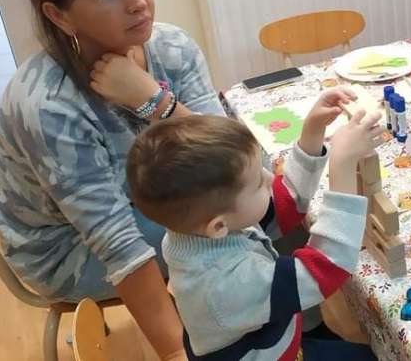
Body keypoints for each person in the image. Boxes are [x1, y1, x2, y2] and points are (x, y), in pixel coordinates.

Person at [0, 0, 223, 359]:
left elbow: (231, 155)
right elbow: (120, 247)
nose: (138, 2)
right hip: (64, 245)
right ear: (60, 15)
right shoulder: (48, 105)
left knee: (257, 200)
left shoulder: (171, 47)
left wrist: (153, 100)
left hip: (141, 197)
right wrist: (178, 353)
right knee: (232, 227)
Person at [126, 107, 380, 361]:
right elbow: (328, 267)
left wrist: (312, 133)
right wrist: (343, 166)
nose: (270, 178)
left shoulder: (199, 227)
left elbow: (284, 203)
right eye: (258, 182)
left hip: (279, 343)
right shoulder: (225, 284)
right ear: (218, 226)